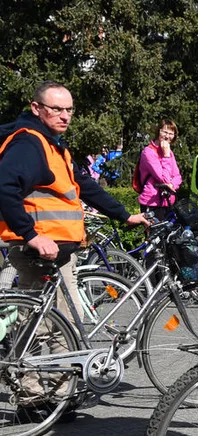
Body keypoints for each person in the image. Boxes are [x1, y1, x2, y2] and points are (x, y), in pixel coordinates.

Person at [0, 81, 149, 324]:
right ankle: (35, 362)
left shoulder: (53, 144)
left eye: (69, 110)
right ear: (36, 108)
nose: (65, 116)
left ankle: (25, 360)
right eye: (56, 109)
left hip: (54, 248)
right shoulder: (30, 143)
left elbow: (84, 185)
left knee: (46, 324)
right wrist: (32, 236)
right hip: (42, 249)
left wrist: (124, 215)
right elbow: (5, 186)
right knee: (62, 324)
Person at [135, 119, 183, 215]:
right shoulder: (148, 152)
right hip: (152, 202)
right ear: (158, 131)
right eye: (165, 132)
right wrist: (166, 156)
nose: (167, 136)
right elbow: (162, 178)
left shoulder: (169, 152)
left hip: (168, 201)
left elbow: (177, 176)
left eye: (171, 134)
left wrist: (172, 185)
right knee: (155, 230)